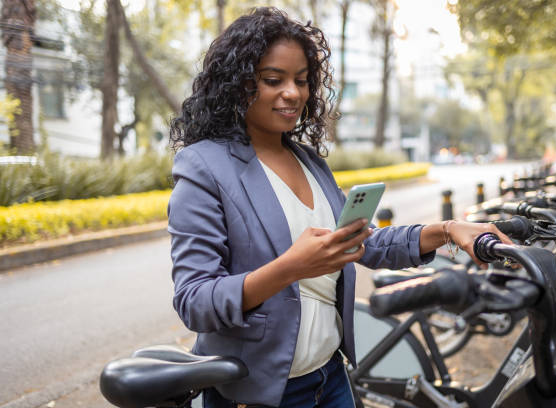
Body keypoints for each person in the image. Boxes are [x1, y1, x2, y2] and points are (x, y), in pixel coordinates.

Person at [167, 7, 511, 408]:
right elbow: (195, 300)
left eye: (301, 80)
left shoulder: (309, 162)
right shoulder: (204, 166)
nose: (293, 93)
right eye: (273, 80)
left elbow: (364, 243)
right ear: (237, 84)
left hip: (331, 378)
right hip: (259, 392)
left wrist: (449, 230)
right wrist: (291, 267)